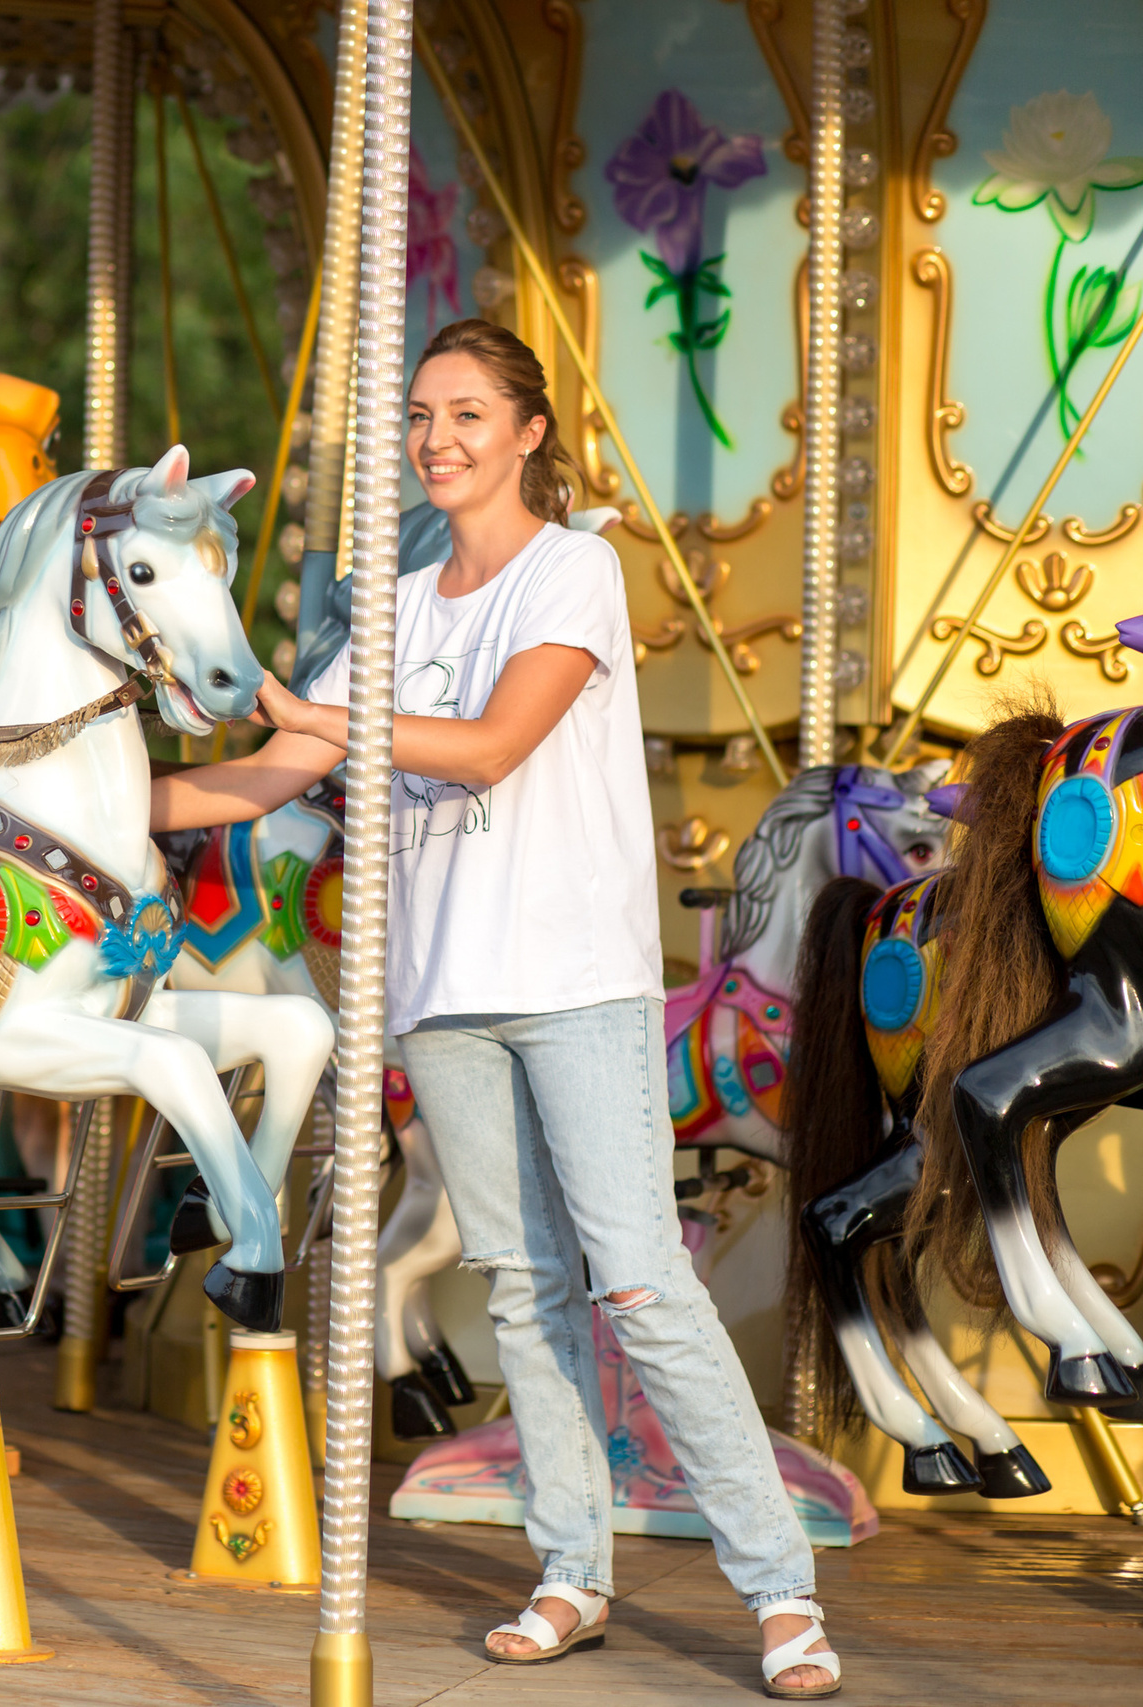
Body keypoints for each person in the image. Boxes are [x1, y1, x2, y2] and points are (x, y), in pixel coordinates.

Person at [151, 318, 841, 1700]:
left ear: (528, 430)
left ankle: (778, 1585)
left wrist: (312, 706)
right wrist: (69, 807)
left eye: (466, 413)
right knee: (525, 1293)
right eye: (420, 415)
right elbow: (268, 773)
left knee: (637, 1279)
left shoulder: (571, 570)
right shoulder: (404, 604)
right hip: (447, 995)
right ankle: (572, 1566)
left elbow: (494, 743)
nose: (437, 438)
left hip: (575, 979)